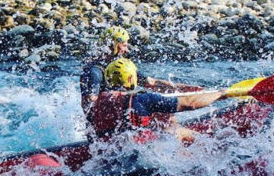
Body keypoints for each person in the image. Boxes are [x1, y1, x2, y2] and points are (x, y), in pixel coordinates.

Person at [91, 58, 226, 144]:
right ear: (131, 79)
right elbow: (190, 103)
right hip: (139, 152)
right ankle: (214, 147)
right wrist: (221, 94)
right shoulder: (143, 99)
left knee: (166, 117)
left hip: (111, 150)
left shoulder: (99, 100)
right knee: (178, 131)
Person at [80, 26, 187, 125]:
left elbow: (151, 82)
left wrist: (181, 89)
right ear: (112, 45)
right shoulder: (94, 71)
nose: (126, 50)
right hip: (106, 125)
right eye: (124, 45)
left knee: (165, 114)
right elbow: (89, 103)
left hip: (121, 115)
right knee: (161, 114)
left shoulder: (120, 65)